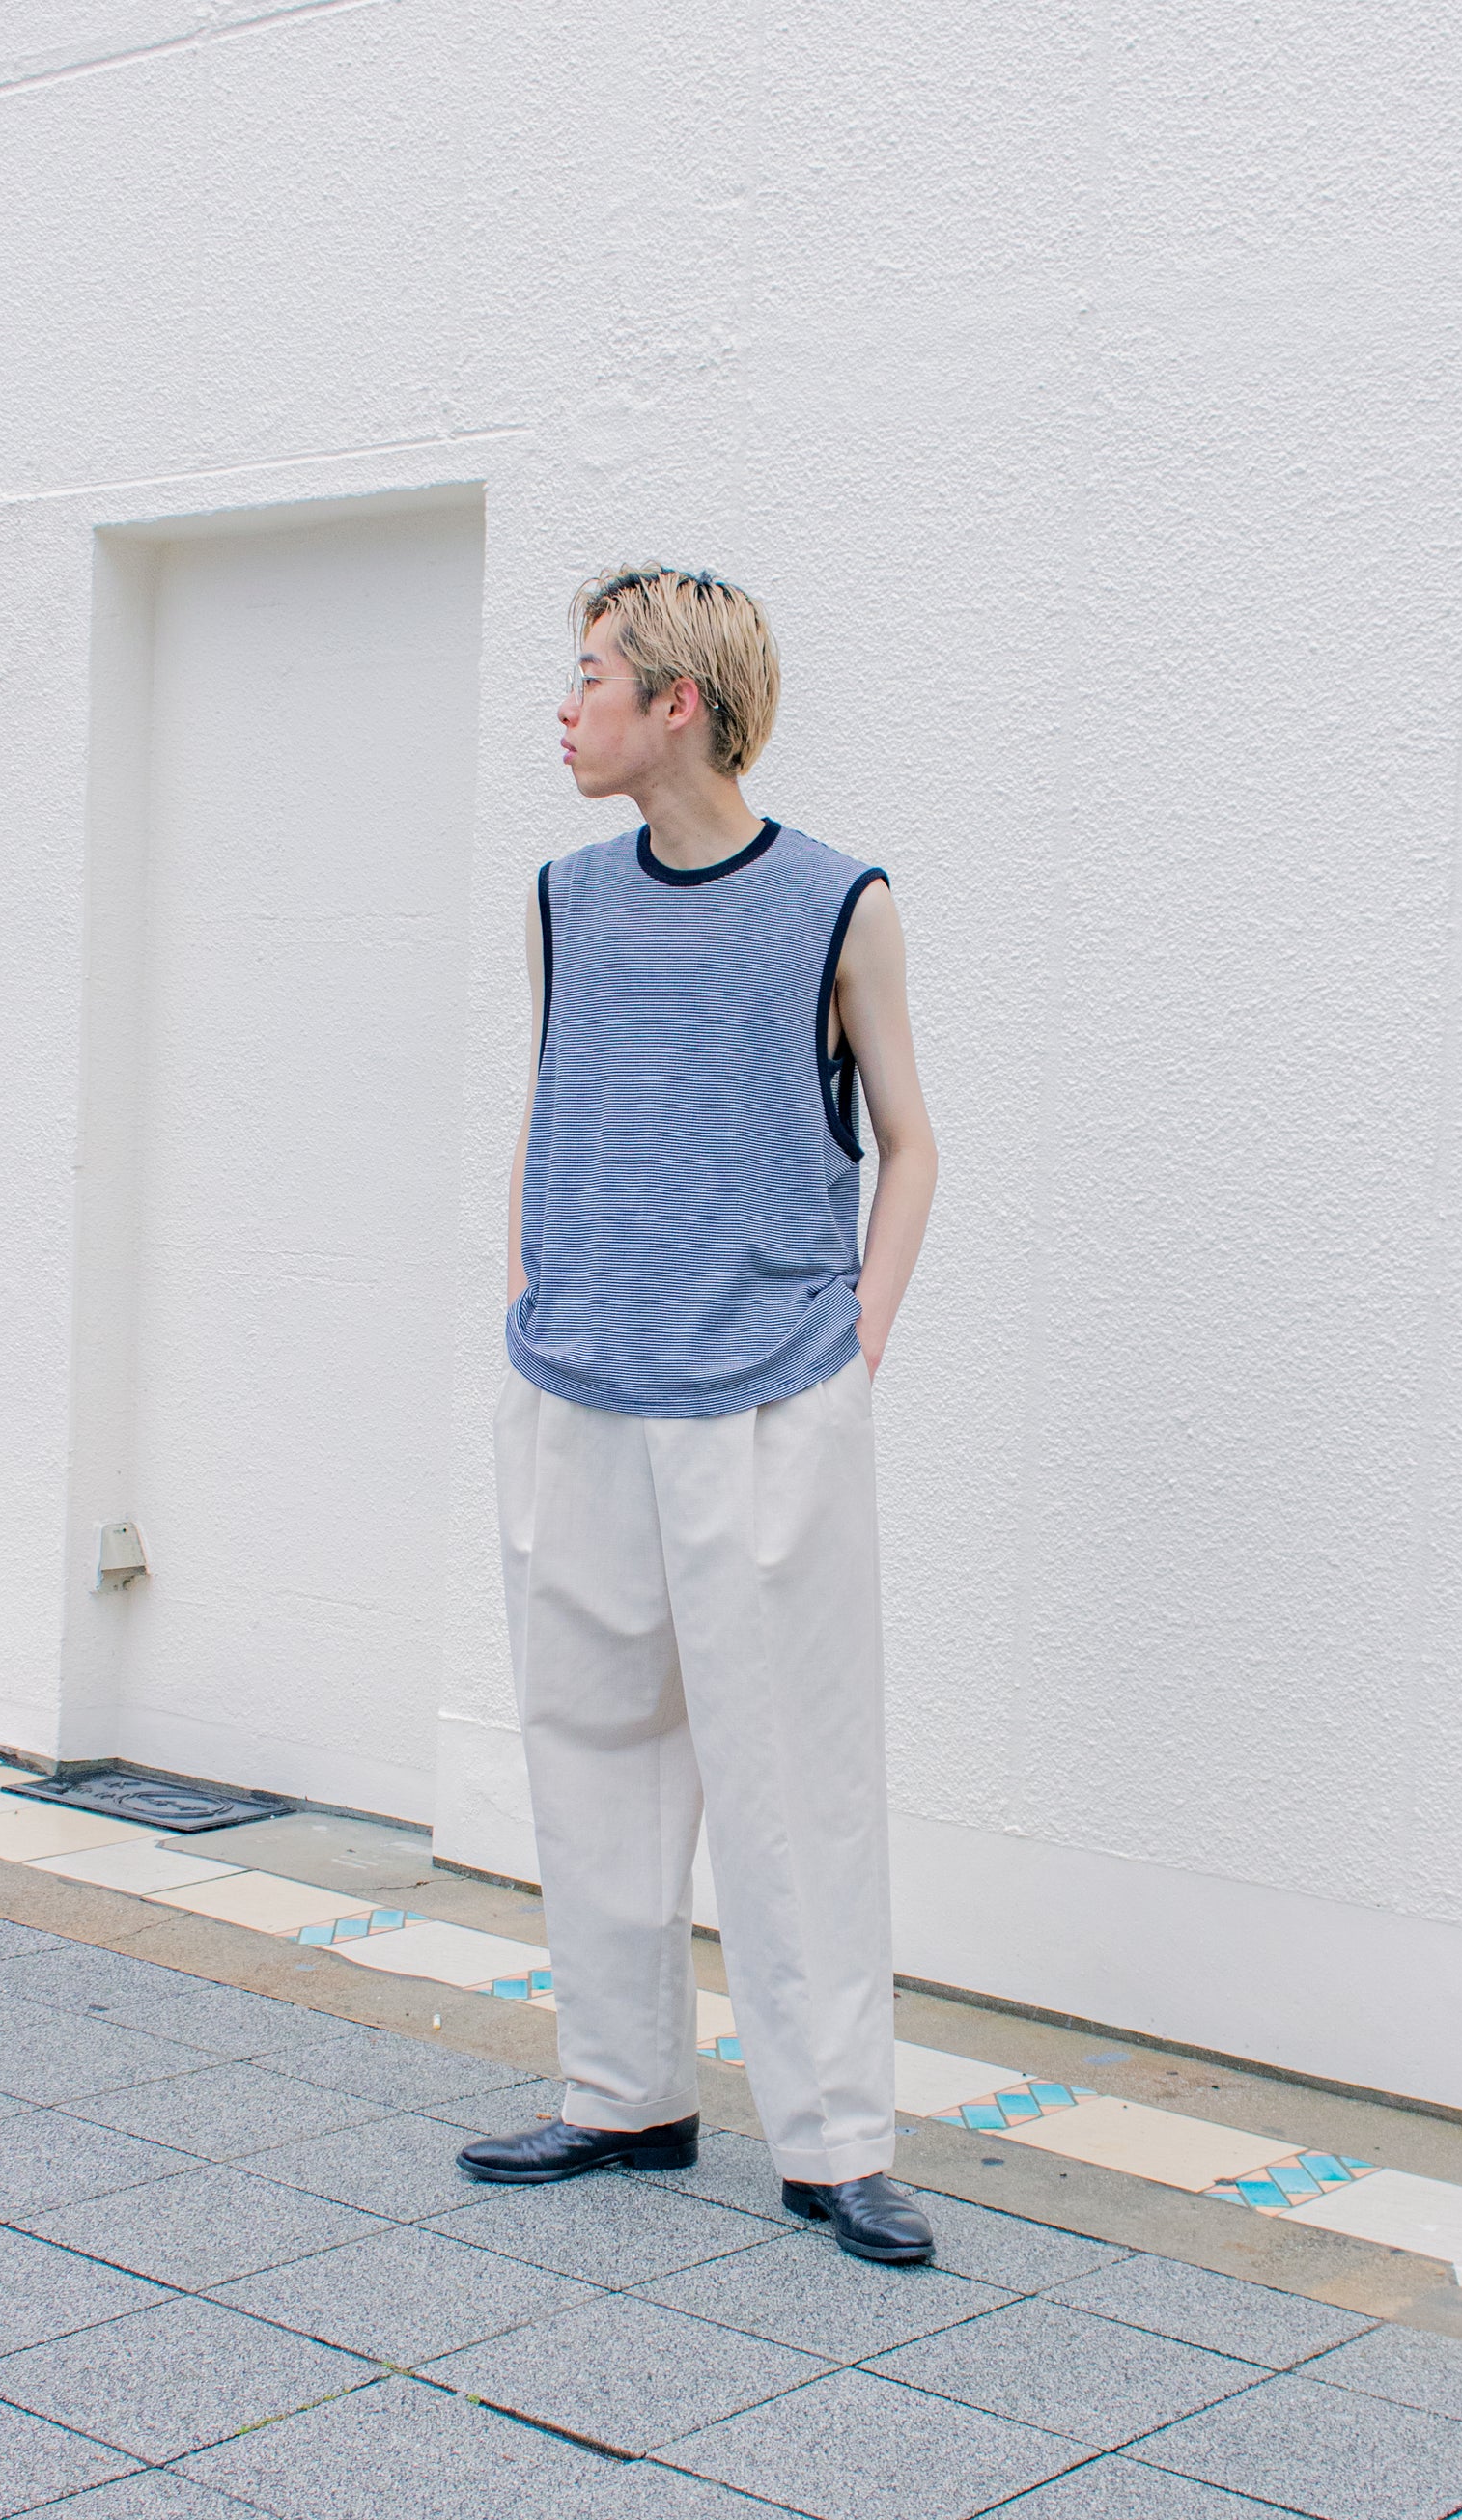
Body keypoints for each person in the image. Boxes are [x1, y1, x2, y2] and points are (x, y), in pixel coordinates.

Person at [455, 566, 939, 2266]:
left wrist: (852, 1348)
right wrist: (528, 1290)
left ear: (678, 701)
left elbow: (910, 1141)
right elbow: (555, 1099)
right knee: (587, 1750)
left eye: (589, 675)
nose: (563, 705)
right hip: (577, 1387)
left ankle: (835, 2144)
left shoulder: (836, 901)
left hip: (765, 1399)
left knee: (794, 1777)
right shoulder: (562, 899)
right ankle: (622, 2099)